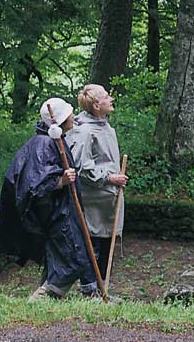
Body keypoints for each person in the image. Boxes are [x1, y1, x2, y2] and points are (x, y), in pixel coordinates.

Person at [0, 97, 99, 300]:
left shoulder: (55, 140)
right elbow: (36, 185)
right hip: (58, 215)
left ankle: (89, 292)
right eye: (69, 114)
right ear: (59, 120)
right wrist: (61, 181)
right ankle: (43, 297)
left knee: (73, 253)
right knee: (71, 258)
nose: (73, 117)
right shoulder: (44, 144)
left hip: (65, 211)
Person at [66, 84, 128, 284]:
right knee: (93, 242)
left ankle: (102, 287)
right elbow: (81, 166)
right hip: (94, 198)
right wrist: (109, 178)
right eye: (106, 96)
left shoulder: (106, 127)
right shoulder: (84, 132)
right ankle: (91, 287)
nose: (111, 99)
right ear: (95, 105)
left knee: (105, 240)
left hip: (109, 197)